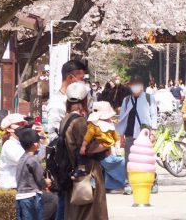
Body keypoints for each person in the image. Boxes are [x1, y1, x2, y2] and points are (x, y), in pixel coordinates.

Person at [61, 81, 108, 220]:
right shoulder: (79, 121)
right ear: (84, 99)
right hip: (87, 172)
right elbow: (88, 148)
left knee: (75, 211)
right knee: (90, 212)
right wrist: (107, 144)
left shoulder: (65, 119)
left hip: (74, 170)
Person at [116, 76, 158, 195]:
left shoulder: (149, 98)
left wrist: (153, 132)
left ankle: (153, 181)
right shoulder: (126, 100)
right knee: (129, 159)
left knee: (148, 159)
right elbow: (122, 118)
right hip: (130, 133)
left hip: (145, 133)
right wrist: (121, 136)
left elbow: (153, 115)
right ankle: (128, 183)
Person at [14, 126, 50, 220]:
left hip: (20, 197)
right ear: (36, 145)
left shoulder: (21, 159)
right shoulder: (33, 160)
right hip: (32, 197)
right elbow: (40, 180)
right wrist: (47, 182)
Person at [46, 59, 88, 137]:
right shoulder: (57, 102)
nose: (83, 82)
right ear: (70, 78)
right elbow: (52, 133)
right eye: (81, 79)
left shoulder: (79, 98)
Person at [76, 101, 119, 177]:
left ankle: (81, 169)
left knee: (81, 155)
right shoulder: (110, 125)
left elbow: (87, 137)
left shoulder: (94, 125)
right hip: (106, 147)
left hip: (97, 145)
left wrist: (83, 146)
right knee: (101, 164)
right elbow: (115, 137)